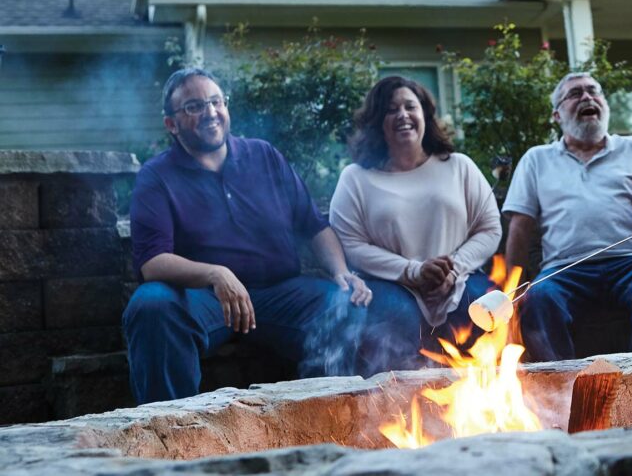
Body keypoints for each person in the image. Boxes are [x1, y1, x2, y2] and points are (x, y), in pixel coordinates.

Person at [124, 68, 373, 404]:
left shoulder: (264, 156)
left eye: (216, 101)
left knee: (345, 305)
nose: (210, 112)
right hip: (206, 301)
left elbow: (313, 225)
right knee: (151, 305)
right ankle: (167, 435)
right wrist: (216, 274)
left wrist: (341, 271)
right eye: (194, 107)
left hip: (279, 293)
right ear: (172, 124)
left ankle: (330, 420)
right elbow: (153, 263)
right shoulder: (157, 176)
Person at [503, 72, 632, 362]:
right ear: (556, 115)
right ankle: (563, 388)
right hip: (564, 271)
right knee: (538, 297)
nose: (586, 97)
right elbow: (520, 228)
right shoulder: (536, 159)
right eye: (574, 94)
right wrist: (510, 291)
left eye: (593, 91)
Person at [329, 76, 501, 374]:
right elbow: (351, 245)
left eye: (411, 106)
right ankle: (401, 411)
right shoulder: (356, 178)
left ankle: (482, 407)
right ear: (377, 122)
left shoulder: (458, 166)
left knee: (484, 306)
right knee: (393, 317)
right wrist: (414, 272)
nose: (403, 115)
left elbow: (489, 227)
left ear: (425, 114)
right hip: (391, 284)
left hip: (458, 279)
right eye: (391, 110)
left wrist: (452, 269)